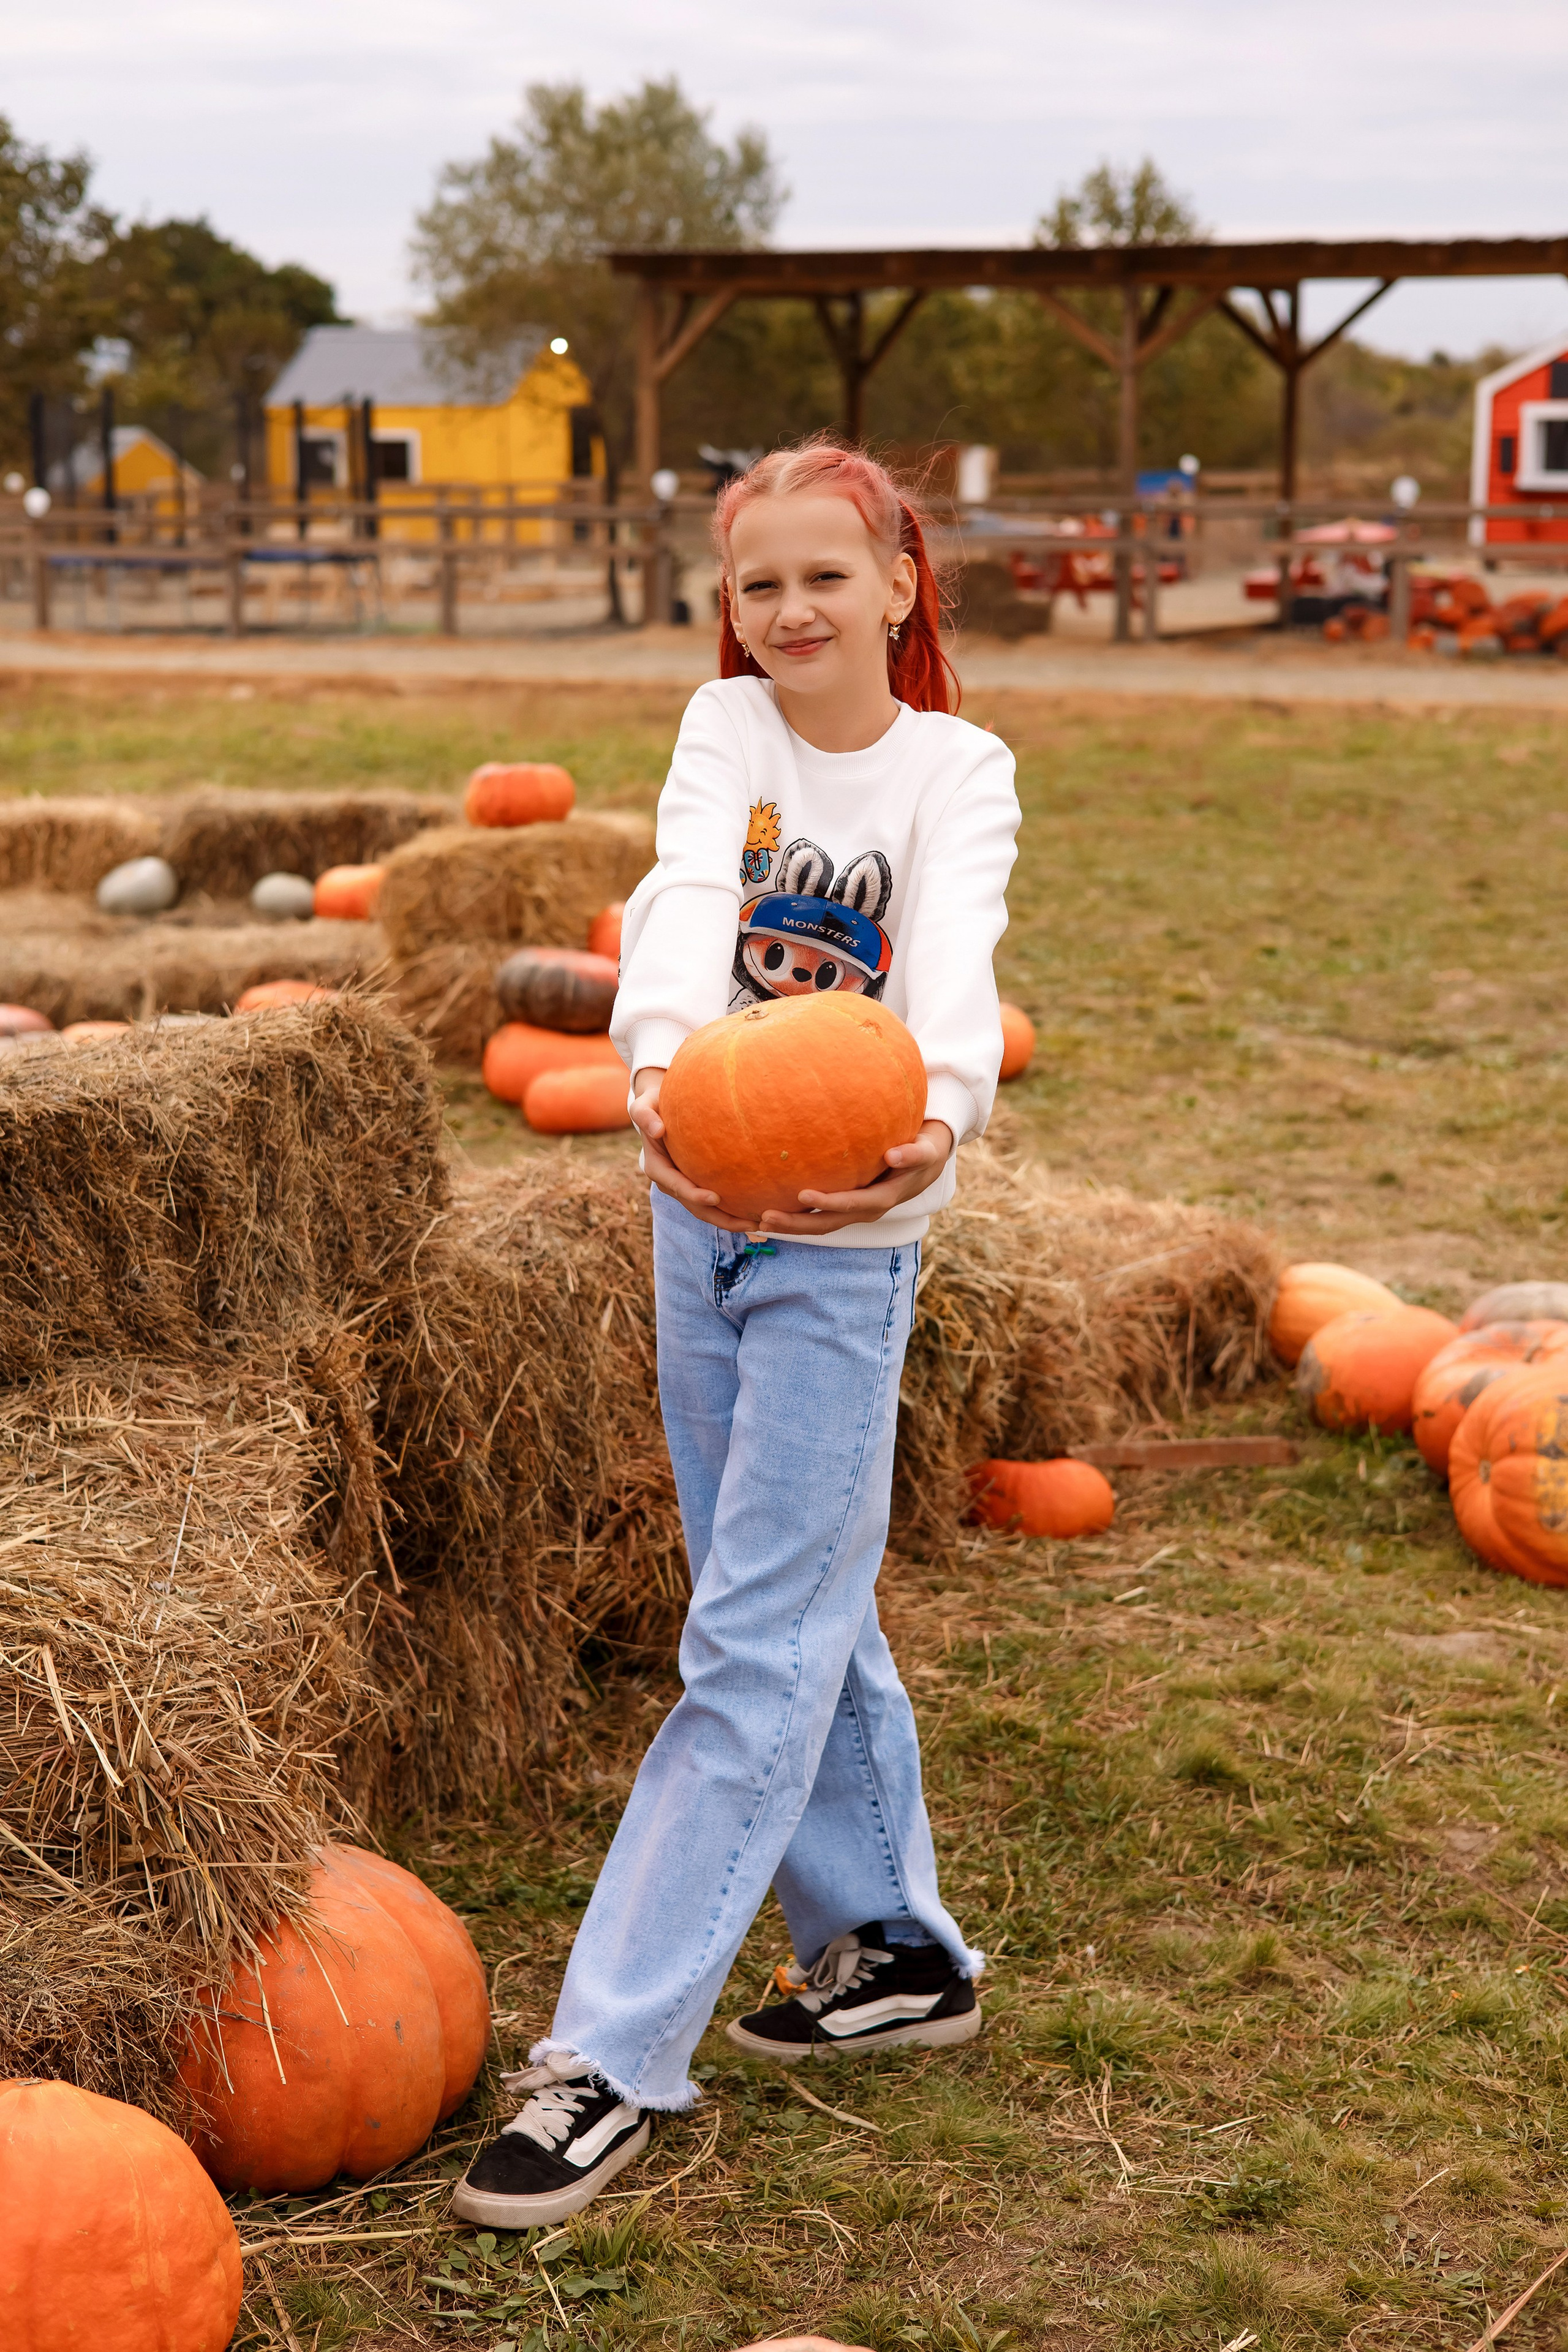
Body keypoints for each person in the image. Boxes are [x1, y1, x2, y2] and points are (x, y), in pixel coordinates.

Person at [454, 439, 1020, 2231]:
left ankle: (610, 2057)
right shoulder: (726, 740)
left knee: (755, 1641)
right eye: (756, 583)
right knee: (788, 1597)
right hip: (695, 1209)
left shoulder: (957, 770)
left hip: (852, 1239)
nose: (788, 611)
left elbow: (957, 975)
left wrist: (931, 1121)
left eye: (824, 579)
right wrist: (647, 1075)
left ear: (901, 588)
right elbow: (690, 899)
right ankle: (896, 1952)